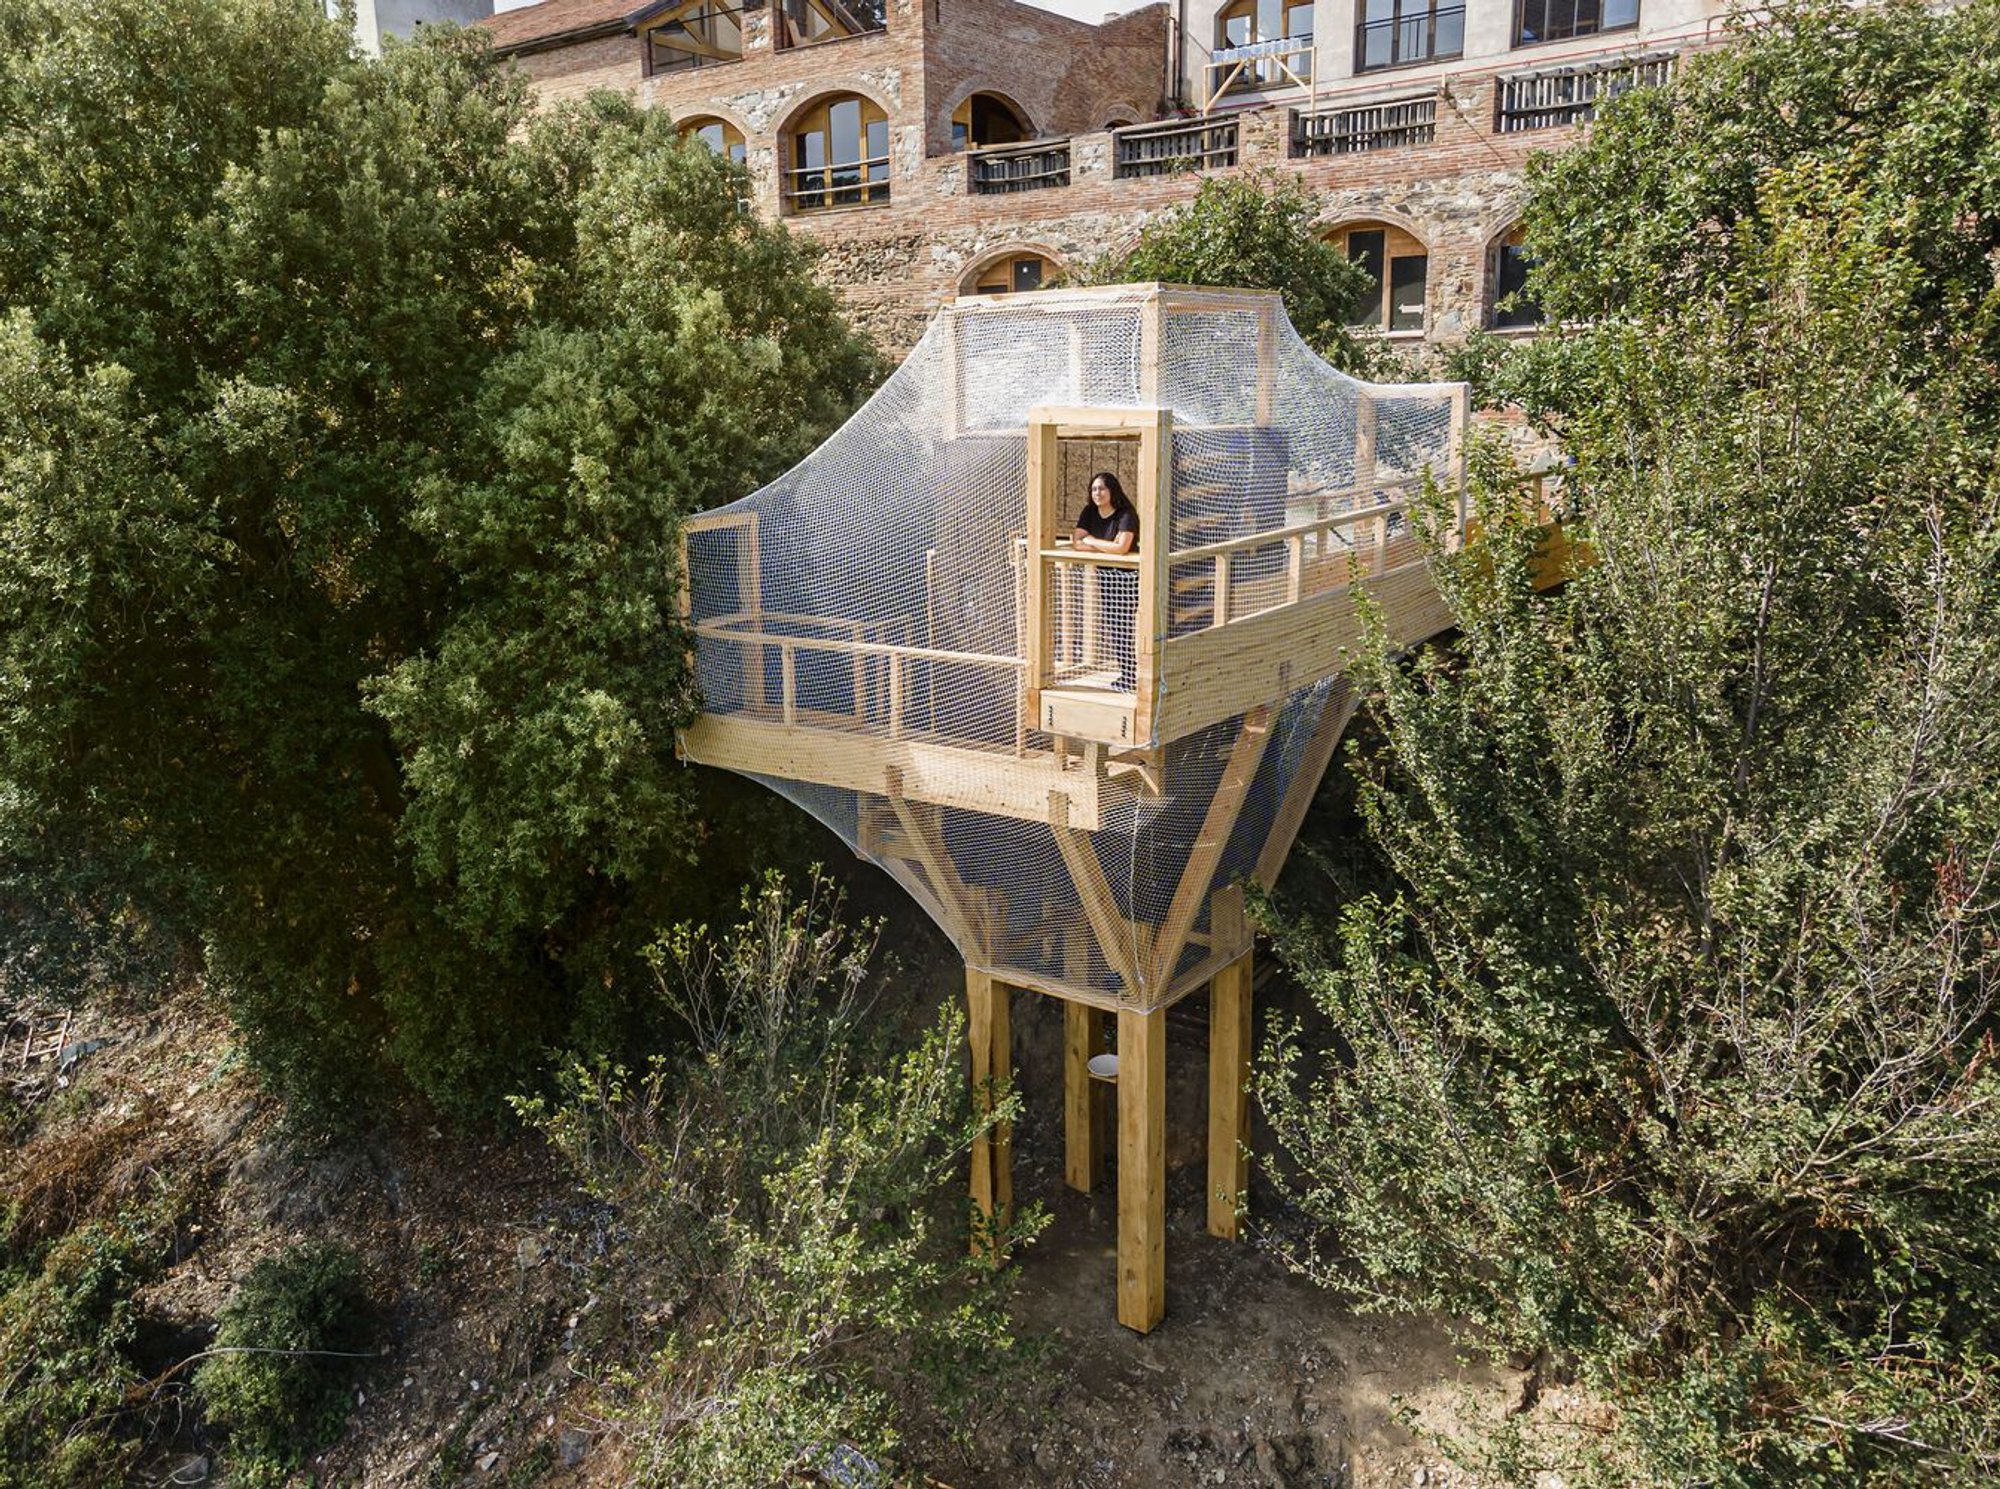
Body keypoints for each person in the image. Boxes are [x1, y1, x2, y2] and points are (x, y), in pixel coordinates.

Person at [1071, 471, 1139, 691]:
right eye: (1093, 489)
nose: (1097, 493)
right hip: (1106, 577)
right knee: (1114, 625)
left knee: (1125, 625)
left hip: (1128, 578)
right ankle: (1126, 674)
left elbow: (1122, 548)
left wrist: (1092, 540)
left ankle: (1132, 676)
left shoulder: (1125, 514)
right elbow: (1077, 542)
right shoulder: (1089, 512)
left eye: (1101, 488)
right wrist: (1104, 544)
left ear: (1112, 490)